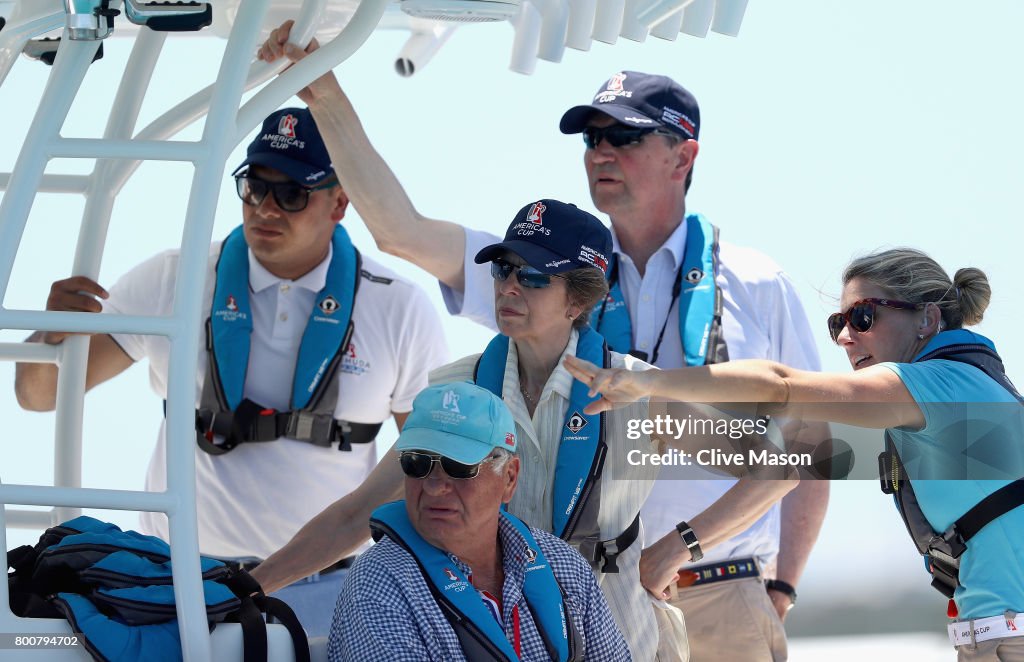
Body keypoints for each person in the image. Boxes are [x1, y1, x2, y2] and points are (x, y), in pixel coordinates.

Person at [258, 21, 827, 660]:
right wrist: (326, 97)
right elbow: (399, 231)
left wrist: (761, 579)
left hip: (704, 595)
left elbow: (806, 450)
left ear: (682, 156)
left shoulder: (739, 299)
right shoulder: (465, 389)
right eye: (592, 138)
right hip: (515, 629)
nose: (601, 151)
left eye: (624, 136)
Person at [253, 198, 774, 660]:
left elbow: (802, 458)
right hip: (491, 638)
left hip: (622, 638)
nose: (509, 287)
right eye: (504, 269)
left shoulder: (639, 391)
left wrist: (678, 548)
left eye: (535, 276)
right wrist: (246, 589)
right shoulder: (456, 392)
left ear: (577, 301)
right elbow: (354, 516)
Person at [13, 106, 448, 637]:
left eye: (290, 194)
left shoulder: (399, 308)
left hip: (331, 592)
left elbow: (431, 465)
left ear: (339, 202)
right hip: (181, 582)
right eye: (253, 187)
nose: (266, 208)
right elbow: (39, 396)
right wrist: (52, 332)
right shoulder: (174, 278)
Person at [565, 247, 1024, 662]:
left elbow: (781, 386)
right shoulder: (957, 387)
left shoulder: (936, 385)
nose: (845, 337)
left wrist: (652, 383)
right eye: (837, 324)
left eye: (862, 317)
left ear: (926, 320)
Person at [329, 381, 631, 661]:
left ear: (509, 477)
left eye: (458, 466)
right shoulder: (379, 585)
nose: (434, 486)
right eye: (417, 463)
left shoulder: (563, 565)